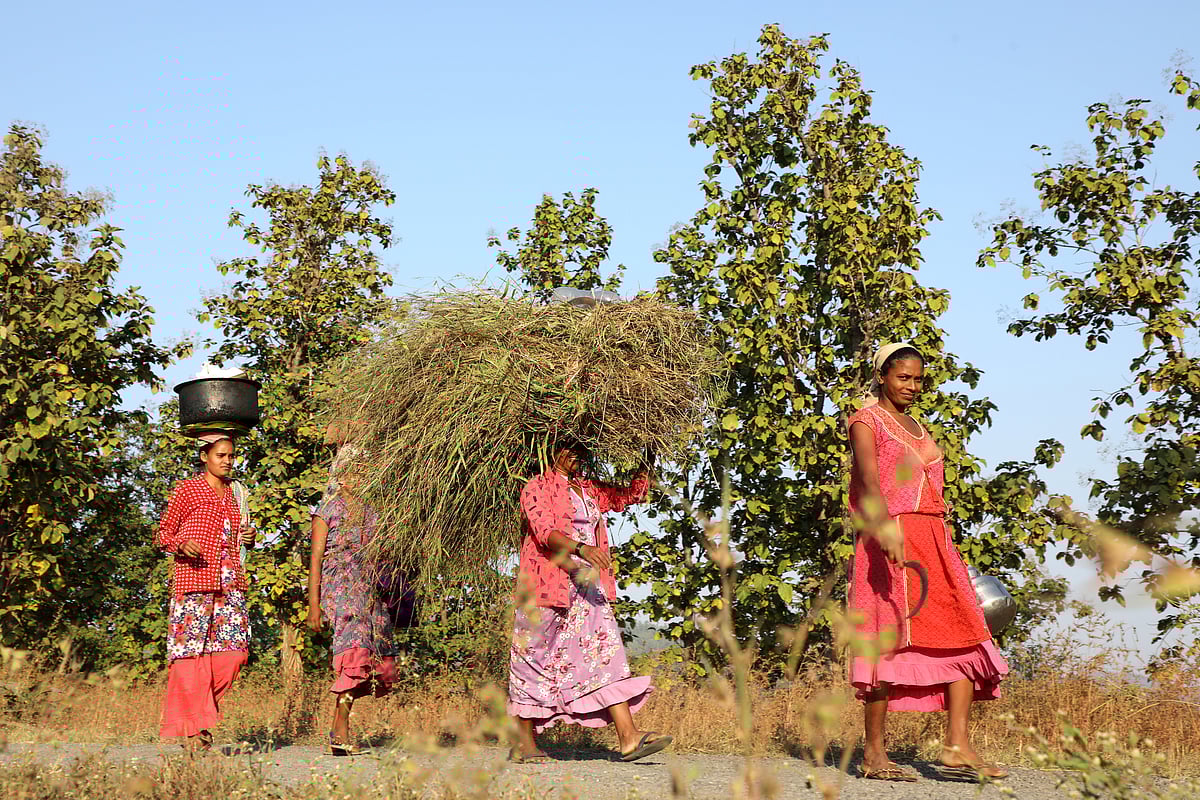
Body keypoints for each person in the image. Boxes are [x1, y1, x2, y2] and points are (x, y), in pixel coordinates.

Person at [846, 343, 1009, 782]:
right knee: (885, 639)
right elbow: (867, 476)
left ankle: (957, 745)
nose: (912, 386)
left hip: (933, 539)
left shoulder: (918, 427)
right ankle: (875, 755)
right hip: (889, 538)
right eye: (904, 377)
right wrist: (884, 527)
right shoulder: (867, 420)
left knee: (963, 630)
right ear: (882, 376)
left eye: (918, 379)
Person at [506, 441, 671, 764]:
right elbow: (544, 532)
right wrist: (581, 548)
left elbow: (630, 496)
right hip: (544, 581)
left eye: (580, 452)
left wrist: (649, 454)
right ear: (549, 452)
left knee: (604, 651)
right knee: (532, 658)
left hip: (585, 585)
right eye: (567, 451)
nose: (574, 457)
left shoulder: (588, 488)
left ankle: (629, 737)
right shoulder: (537, 486)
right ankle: (524, 743)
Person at [306, 432, 406, 757]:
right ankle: (341, 727)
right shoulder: (327, 511)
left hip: (372, 592)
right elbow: (316, 559)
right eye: (356, 473)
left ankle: (339, 721)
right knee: (355, 655)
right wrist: (313, 606)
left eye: (365, 472)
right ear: (344, 477)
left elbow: (385, 554)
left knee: (381, 667)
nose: (362, 478)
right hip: (343, 591)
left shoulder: (374, 512)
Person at [155, 434, 252, 751]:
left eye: (231, 456)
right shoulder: (187, 490)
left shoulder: (236, 495)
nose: (227, 461)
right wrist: (180, 544)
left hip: (230, 584)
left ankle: (196, 717)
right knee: (190, 658)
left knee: (234, 655)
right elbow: (162, 533)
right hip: (192, 582)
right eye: (221, 455)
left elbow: (239, 537)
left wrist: (248, 536)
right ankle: (195, 729)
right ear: (204, 457)